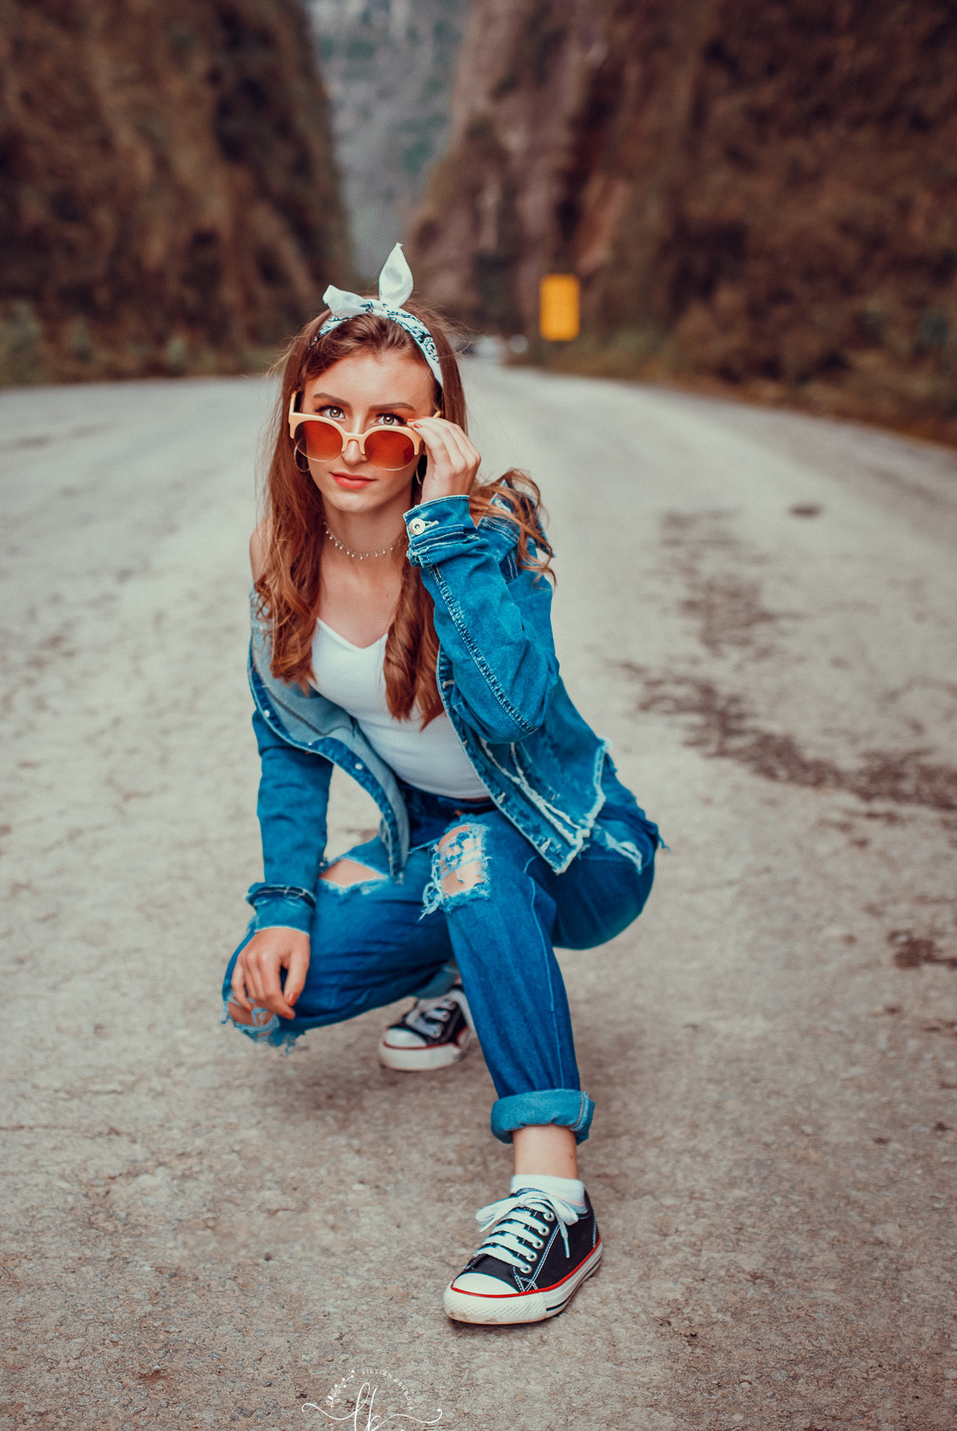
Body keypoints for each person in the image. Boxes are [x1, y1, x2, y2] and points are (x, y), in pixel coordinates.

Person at [221, 245, 659, 1326]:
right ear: (292, 421)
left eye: (392, 422)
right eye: (328, 415)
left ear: (437, 434)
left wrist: (447, 532)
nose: (356, 447)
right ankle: (468, 963)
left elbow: (513, 712)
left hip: (578, 846)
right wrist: (282, 906)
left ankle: (554, 1195)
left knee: (473, 856)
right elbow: (289, 753)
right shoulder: (284, 575)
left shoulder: (492, 547)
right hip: (446, 843)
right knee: (271, 993)